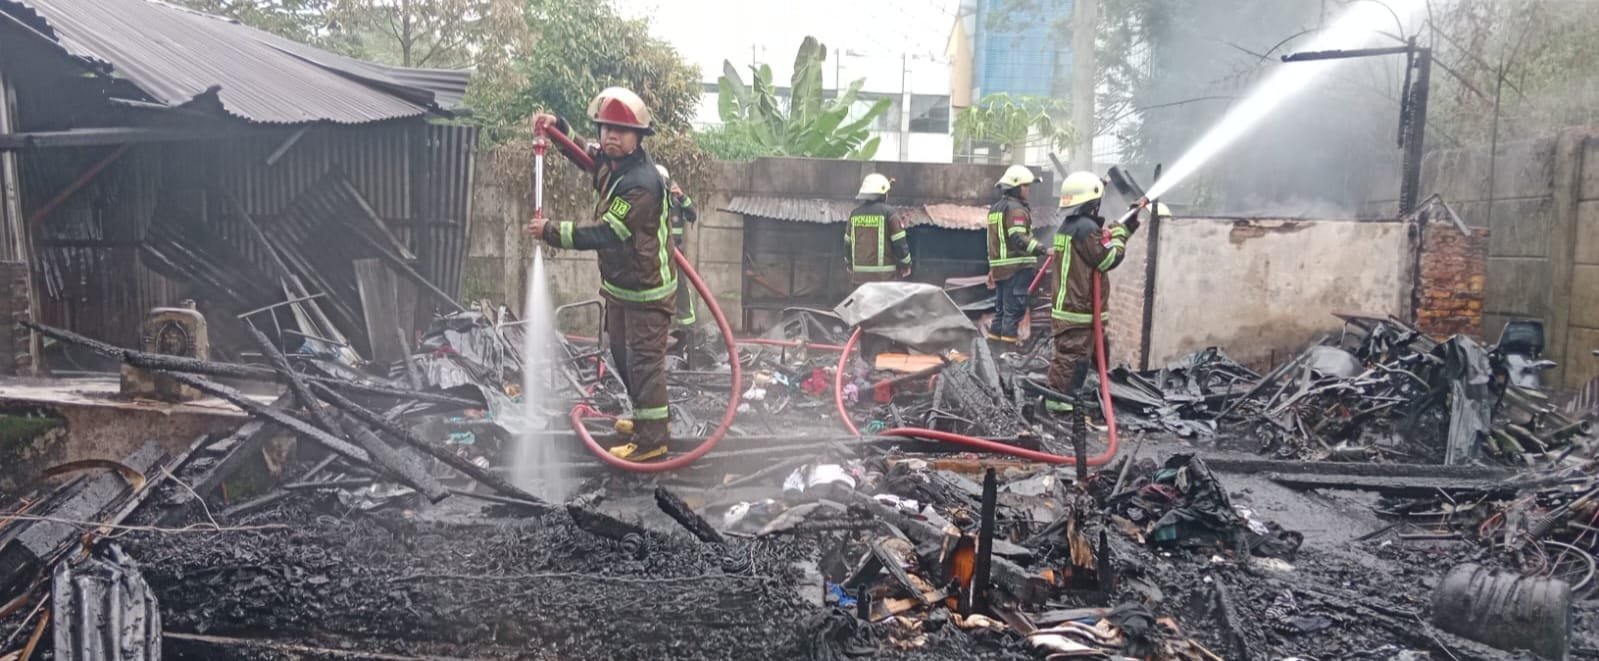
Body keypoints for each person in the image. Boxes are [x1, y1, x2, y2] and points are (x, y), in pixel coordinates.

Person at [526, 87, 676, 461]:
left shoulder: (640, 181)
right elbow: (583, 154)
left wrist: (551, 230)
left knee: (644, 364)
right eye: (605, 128)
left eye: (620, 131)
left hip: (646, 291)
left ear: (638, 138)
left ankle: (653, 440)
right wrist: (557, 126)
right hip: (621, 288)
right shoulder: (612, 164)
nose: (610, 136)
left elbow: (608, 232)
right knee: (623, 357)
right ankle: (645, 420)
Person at [1044, 171, 1142, 415]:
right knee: (1071, 358)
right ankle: (1060, 405)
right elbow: (1107, 258)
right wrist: (1119, 236)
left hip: (1076, 307)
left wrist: (1125, 229)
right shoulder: (1085, 228)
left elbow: (1096, 251)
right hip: (1078, 310)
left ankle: (1093, 394)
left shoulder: (1071, 227)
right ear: (1093, 200)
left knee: (1094, 355)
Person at [985, 164, 1044, 343]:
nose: (1028, 191)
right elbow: (1018, 237)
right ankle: (1005, 357)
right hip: (1016, 268)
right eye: (1026, 186)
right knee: (1013, 312)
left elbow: (995, 241)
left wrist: (991, 268)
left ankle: (992, 352)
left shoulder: (996, 208)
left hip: (1001, 269)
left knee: (1001, 312)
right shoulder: (1016, 209)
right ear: (1017, 187)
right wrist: (1042, 249)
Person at [845, 173, 912, 284]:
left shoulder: (855, 214)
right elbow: (899, 243)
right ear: (883, 193)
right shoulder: (889, 213)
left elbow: (847, 244)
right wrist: (906, 264)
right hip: (883, 280)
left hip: (859, 280)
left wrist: (849, 265)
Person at [657, 164, 700, 329]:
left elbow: (692, 214)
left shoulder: (676, 200)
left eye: (664, 181)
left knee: (681, 288)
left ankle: (687, 327)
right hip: (656, 252)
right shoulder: (649, 199)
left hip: (676, 253)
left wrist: (682, 197)